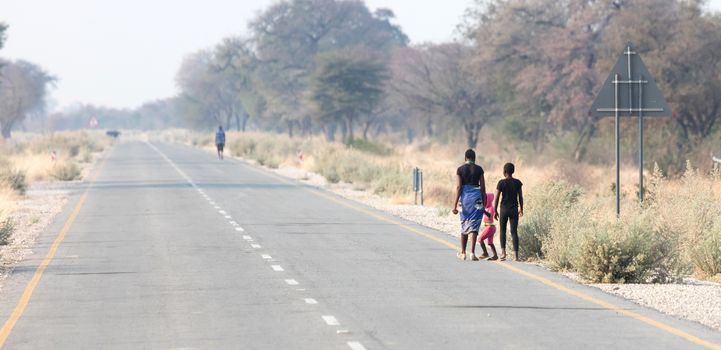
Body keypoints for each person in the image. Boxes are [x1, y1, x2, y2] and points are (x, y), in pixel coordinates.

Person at [451, 149, 486, 261]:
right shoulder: (479, 169)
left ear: (465, 158)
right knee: (474, 226)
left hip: (465, 199)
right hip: (476, 199)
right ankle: (472, 252)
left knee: (464, 224)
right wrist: (484, 202)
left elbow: (458, 187)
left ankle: (462, 252)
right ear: (474, 158)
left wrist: (455, 205)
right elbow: (483, 188)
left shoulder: (460, 169)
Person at [493, 162, 524, 261]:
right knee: (514, 232)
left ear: (504, 171)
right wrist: (521, 209)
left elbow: (497, 197)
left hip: (504, 209)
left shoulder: (501, 183)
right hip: (514, 209)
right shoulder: (518, 182)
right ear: (513, 171)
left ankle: (503, 253)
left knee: (502, 230)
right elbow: (520, 197)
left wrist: (495, 210)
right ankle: (516, 256)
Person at [478, 192, 498, 261]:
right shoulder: (486, 208)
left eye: (486, 199)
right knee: (490, 243)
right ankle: (495, 255)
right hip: (489, 227)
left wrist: (483, 211)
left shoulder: (491, 208)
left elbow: (489, 216)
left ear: (489, 200)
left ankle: (485, 253)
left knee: (480, 239)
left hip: (490, 227)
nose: (484, 201)